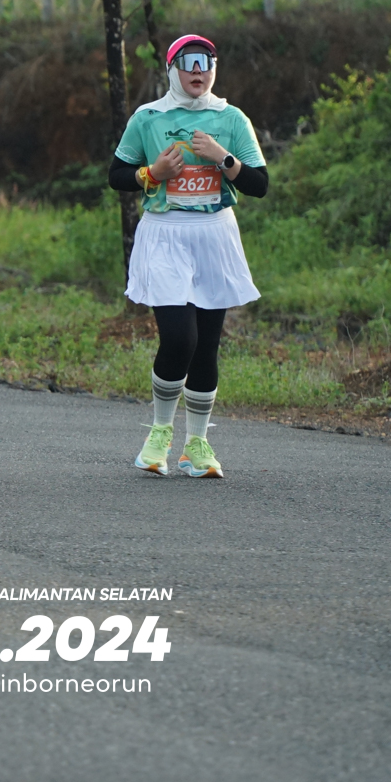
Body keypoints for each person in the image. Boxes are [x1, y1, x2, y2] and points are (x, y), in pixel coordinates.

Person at [110, 34, 270, 480]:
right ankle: (159, 433)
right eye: (188, 62)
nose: (198, 71)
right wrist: (152, 173)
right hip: (165, 234)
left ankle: (196, 445)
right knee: (180, 338)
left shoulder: (232, 118)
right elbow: (116, 174)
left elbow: (259, 184)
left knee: (207, 344)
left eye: (206, 62)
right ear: (171, 69)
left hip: (214, 235)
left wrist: (223, 158)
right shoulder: (149, 118)